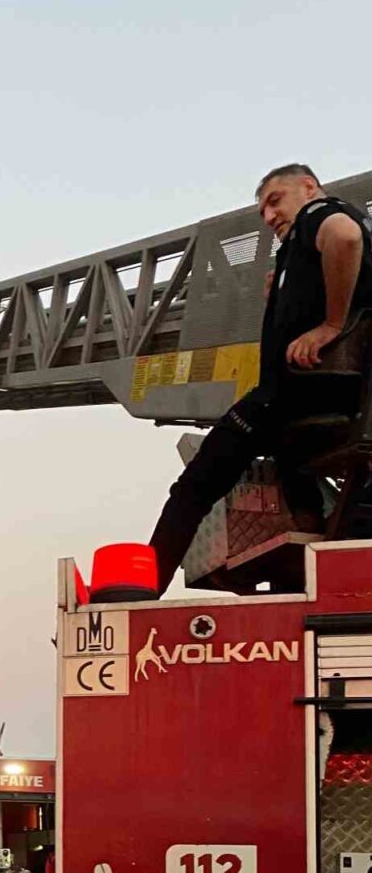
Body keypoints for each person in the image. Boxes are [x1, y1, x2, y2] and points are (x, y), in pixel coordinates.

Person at [146, 164, 372, 594]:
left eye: (275, 201)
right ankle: (312, 541)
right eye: (262, 211)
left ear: (309, 187)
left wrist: (330, 325)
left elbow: (344, 238)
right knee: (293, 459)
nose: (269, 216)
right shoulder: (322, 241)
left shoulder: (319, 215)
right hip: (338, 400)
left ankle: (143, 587)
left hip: (294, 394)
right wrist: (286, 294)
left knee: (194, 487)